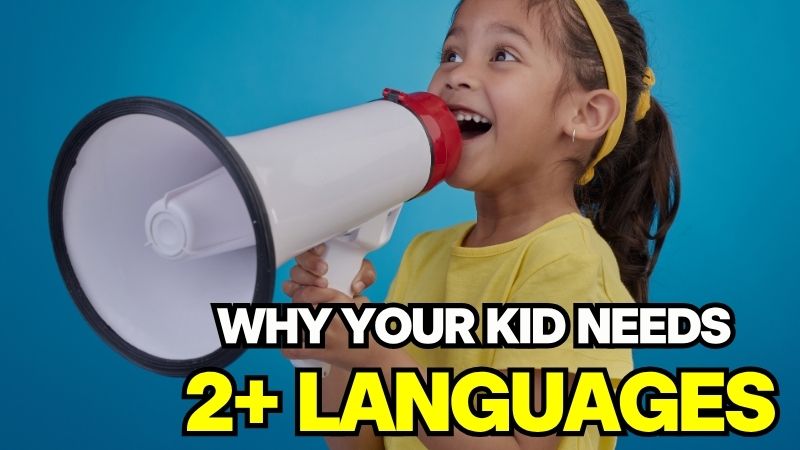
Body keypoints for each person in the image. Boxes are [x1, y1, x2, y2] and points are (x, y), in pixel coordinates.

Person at [281, 0, 680, 449]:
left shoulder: (572, 268)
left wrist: (377, 359)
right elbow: (359, 445)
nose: (457, 75)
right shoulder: (427, 252)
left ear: (585, 115)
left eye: (502, 56)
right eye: (451, 54)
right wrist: (339, 351)